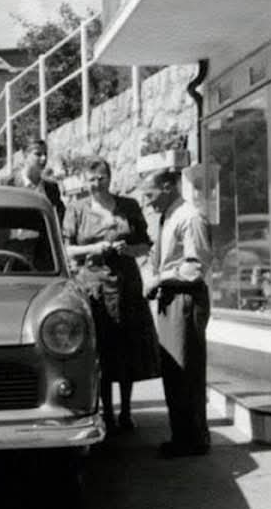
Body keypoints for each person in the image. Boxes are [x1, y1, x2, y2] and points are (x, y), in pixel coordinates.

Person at [62, 157, 157, 433]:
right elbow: (67, 249)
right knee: (100, 348)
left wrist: (128, 250)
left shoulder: (129, 206)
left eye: (101, 177)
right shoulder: (76, 209)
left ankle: (126, 411)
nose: (97, 183)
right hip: (93, 287)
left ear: (110, 177)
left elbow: (145, 244)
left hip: (126, 285)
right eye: (91, 179)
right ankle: (106, 411)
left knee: (126, 347)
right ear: (84, 181)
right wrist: (94, 248)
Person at [140, 168, 214, 458]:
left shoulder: (190, 217)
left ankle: (193, 438)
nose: (147, 202)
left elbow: (195, 267)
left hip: (185, 299)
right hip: (170, 298)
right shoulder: (169, 217)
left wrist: (161, 279)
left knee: (187, 370)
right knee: (174, 371)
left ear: (168, 187)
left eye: (150, 194)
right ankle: (182, 435)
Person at [0, 137, 65, 222]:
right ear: (25, 155)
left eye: (45, 154)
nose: (44, 158)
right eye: (38, 154)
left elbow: (58, 216)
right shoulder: (6, 185)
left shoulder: (52, 188)